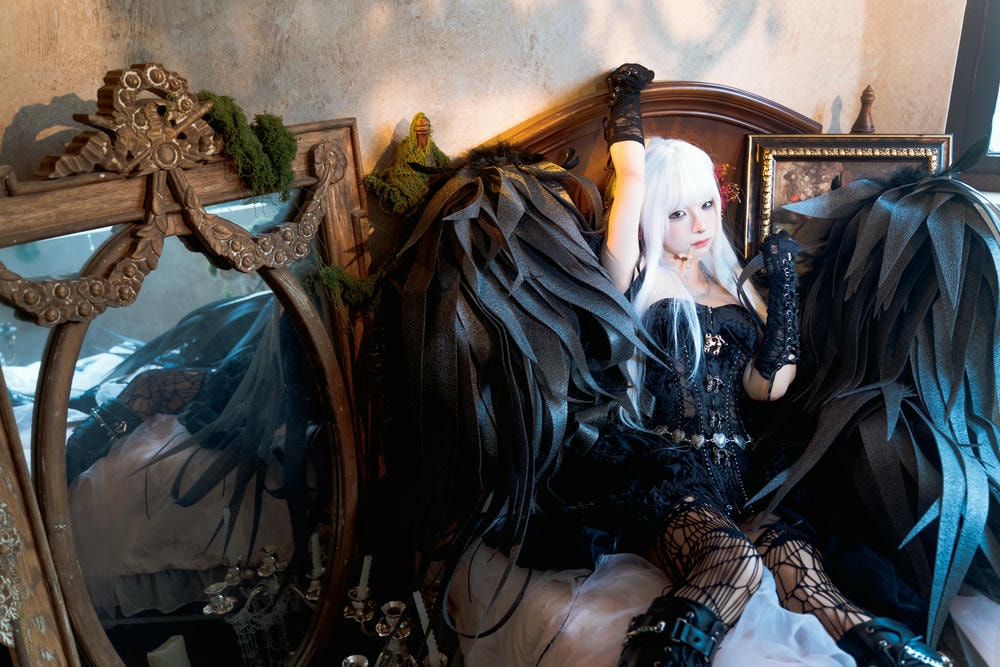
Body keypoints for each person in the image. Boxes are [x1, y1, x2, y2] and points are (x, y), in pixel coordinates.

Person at [566, 63, 953, 667]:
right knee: (734, 563)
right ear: (648, 218)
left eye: (706, 204)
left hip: (749, 472)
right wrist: (627, 109)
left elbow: (767, 388)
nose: (700, 224)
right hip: (669, 471)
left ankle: (898, 658)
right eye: (676, 213)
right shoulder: (635, 280)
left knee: (807, 577)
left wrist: (784, 287)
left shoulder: (735, 285)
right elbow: (633, 183)